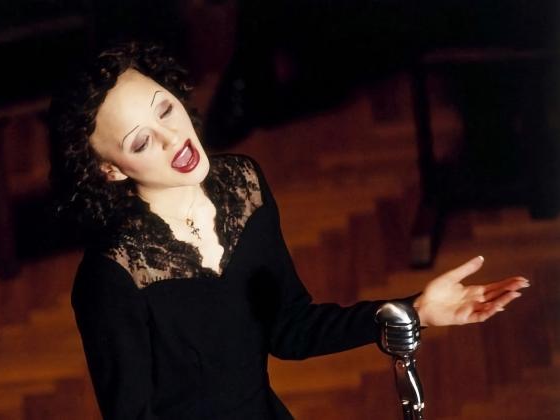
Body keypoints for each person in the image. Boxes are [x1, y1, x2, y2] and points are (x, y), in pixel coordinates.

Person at [48, 42, 529, 420]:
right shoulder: (111, 277)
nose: (174, 138)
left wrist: (415, 311)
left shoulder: (244, 186)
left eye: (165, 109)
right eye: (141, 141)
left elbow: (291, 329)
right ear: (110, 171)